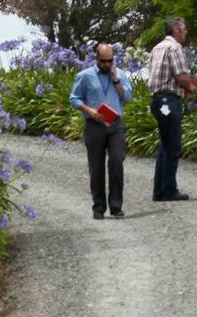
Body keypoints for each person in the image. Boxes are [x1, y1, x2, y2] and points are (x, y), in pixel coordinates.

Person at [69, 43, 134, 219]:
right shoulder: (84, 76)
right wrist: (90, 111)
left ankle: (116, 206)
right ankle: (98, 208)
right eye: (103, 61)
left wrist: (116, 80)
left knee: (116, 161)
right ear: (96, 59)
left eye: (110, 61)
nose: (107, 64)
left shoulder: (119, 74)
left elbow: (127, 97)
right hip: (94, 125)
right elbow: (74, 98)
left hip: (115, 124)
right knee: (96, 168)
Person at [146, 18, 196, 202]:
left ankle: (159, 190)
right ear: (176, 30)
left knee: (165, 145)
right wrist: (191, 87)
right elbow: (181, 77)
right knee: (173, 145)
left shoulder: (156, 48)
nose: (186, 32)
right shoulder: (174, 48)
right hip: (168, 101)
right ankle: (169, 189)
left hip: (157, 100)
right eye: (184, 29)